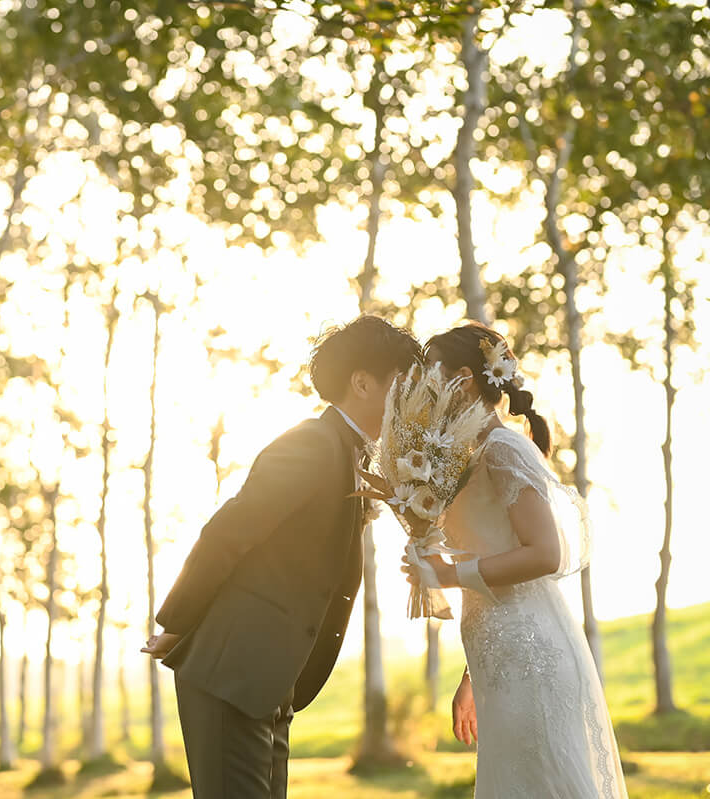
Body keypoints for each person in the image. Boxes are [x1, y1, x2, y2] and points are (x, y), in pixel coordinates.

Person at [141, 315, 421, 799]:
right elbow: (229, 530)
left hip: (269, 682)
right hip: (231, 674)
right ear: (362, 383)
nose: (413, 399)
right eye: (404, 383)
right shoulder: (313, 443)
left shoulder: (351, 454)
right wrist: (179, 623)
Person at [410, 322, 629, 798]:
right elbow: (492, 550)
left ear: (464, 379)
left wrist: (452, 573)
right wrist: (470, 675)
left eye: (431, 378)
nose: (425, 392)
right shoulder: (467, 456)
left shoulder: (504, 447)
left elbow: (544, 553)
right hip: (496, 653)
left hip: (531, 651)